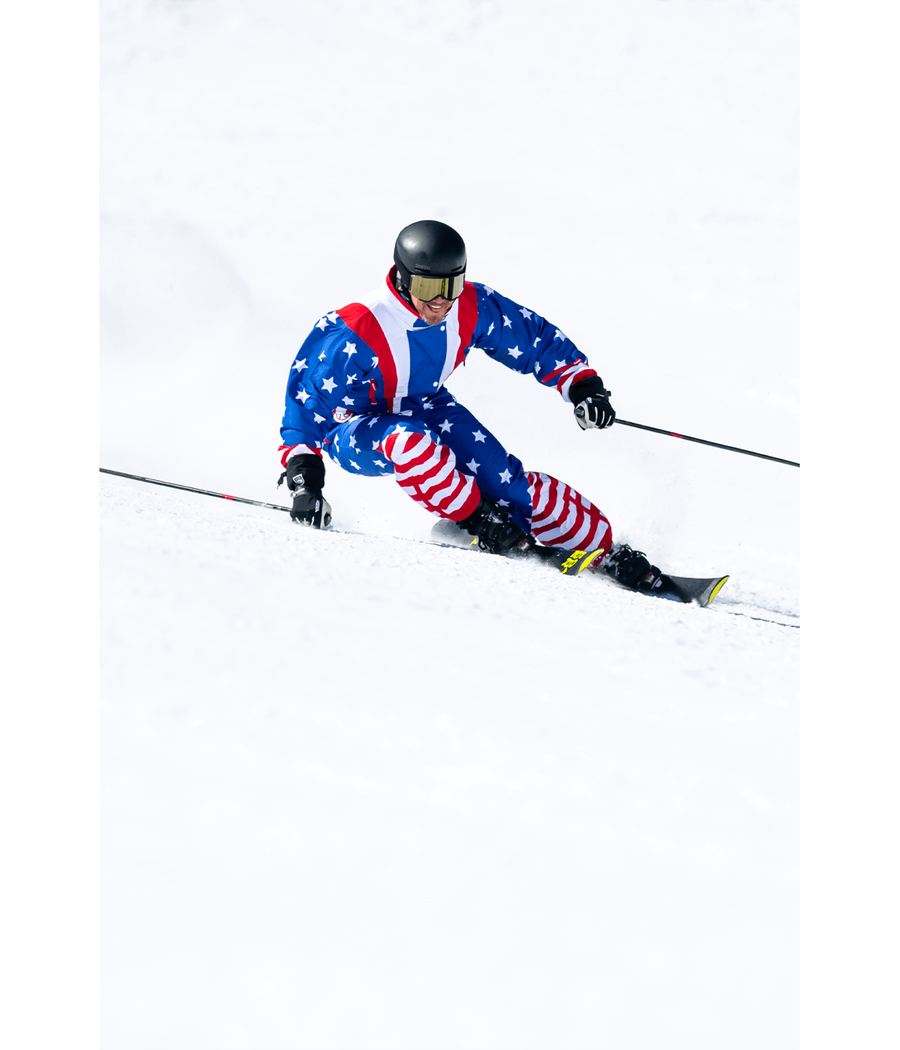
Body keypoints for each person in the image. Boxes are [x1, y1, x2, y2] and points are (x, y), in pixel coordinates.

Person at [278, 219, 661, 592]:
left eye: (452, 285)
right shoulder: (356, 327)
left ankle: (604, 551)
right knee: (410, 442)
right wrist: (305, 484)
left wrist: (582, 385)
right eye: (428, 287)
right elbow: (306, 402)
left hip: (427, 406)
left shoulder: (468, 306)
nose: (441, 300)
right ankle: (477, 521)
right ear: (404, 278)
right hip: (353, 425)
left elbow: (532, 339)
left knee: (509, 485)